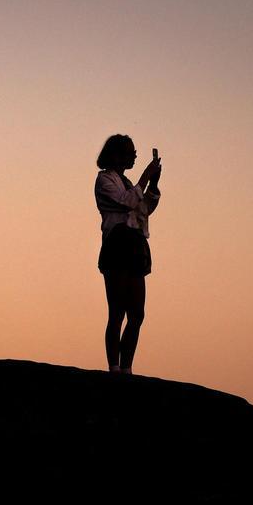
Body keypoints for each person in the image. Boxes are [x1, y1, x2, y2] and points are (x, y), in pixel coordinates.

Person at [94, 134, 162, 374]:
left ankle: (126, 368)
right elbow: (126, 202)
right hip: (117, 246)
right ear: (116, 154)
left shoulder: (126, 182)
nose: (134, 156)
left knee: (137, 313)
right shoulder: (105, 180)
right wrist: (145, 178)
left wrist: (152, 184)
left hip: (134, 247)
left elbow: (143, 209)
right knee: (117, 311)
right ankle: (114, 367)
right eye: (130, 152)